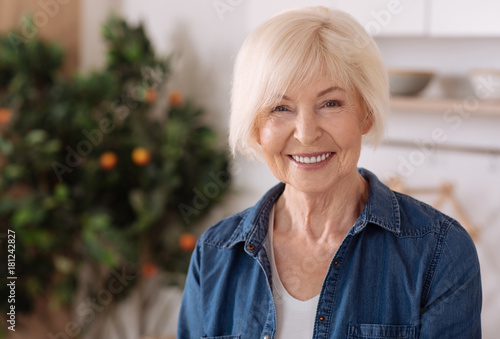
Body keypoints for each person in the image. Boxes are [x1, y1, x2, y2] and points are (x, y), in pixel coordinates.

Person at [177, 6, 481, 339]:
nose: (306, 133)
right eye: (280, 108)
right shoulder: (215, 254)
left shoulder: (440, 252)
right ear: (255, 127)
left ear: (365, 113)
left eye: (331, 103)